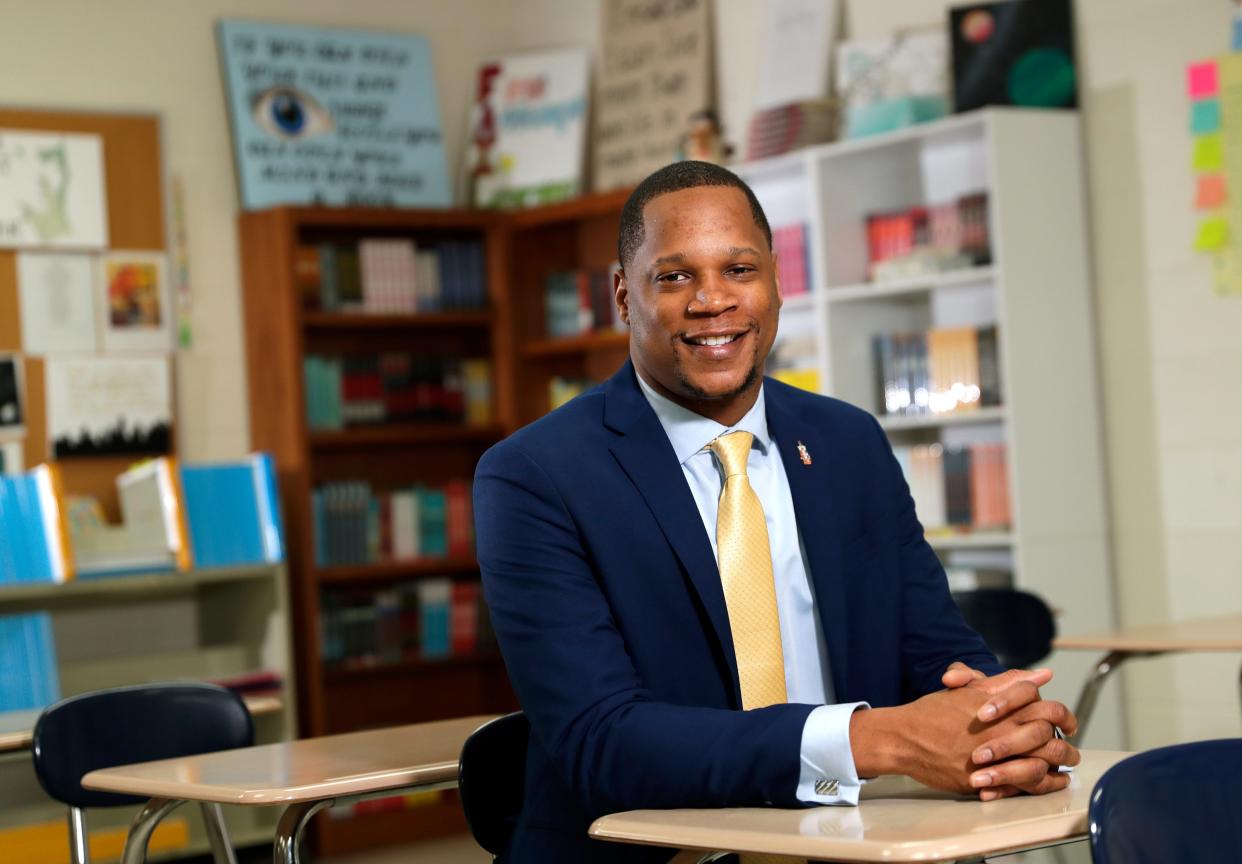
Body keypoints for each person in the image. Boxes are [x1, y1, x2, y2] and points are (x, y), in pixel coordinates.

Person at [473, 161, 1079, 863]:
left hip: (852, 842)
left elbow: (934, 650)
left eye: (738, 269)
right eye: (674, 277)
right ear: (623, 296)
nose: (712, 300)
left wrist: (1002, 721)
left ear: (777, 283)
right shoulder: (535, 475)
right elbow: (601, 740)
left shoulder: (847, 441)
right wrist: (873, 740)